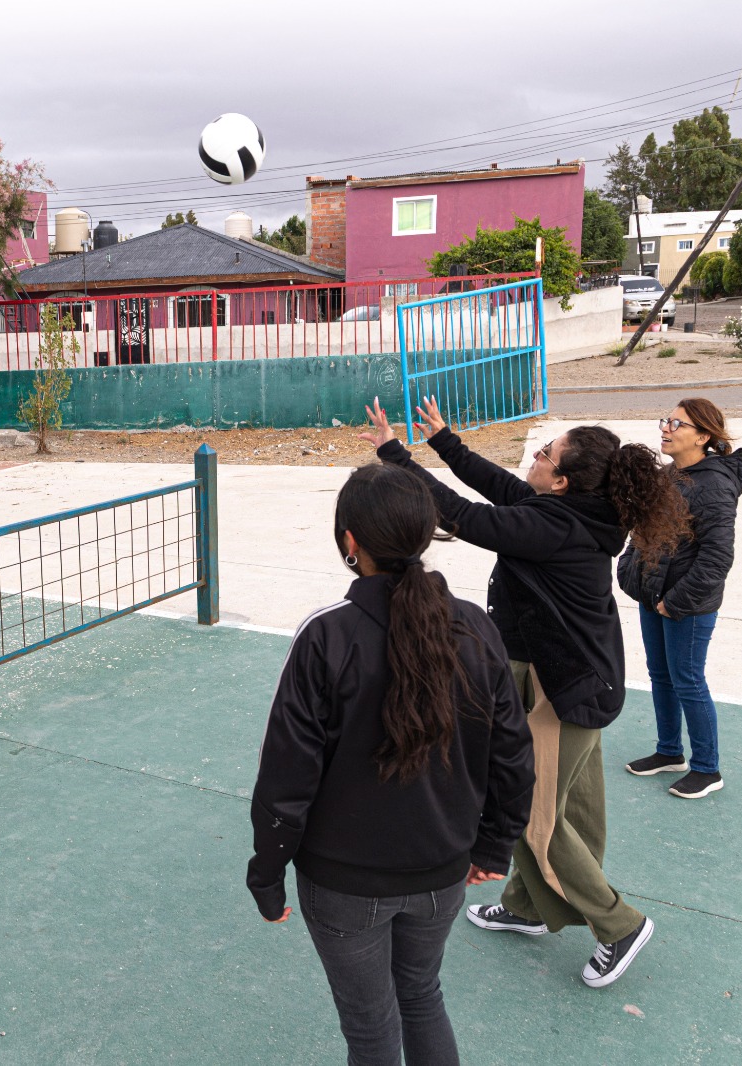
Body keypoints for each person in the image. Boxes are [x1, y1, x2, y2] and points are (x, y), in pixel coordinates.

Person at [361, 395, 689, 989]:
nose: (533, 458)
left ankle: (619, 925)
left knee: (532, 816)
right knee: (572, 810)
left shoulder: (553, 526)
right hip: (574, 679)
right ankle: (527, 904)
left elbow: (465, 517)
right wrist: (444, 442)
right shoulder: (573, 509)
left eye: (544, 454)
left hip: (562, 691)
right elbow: (497, 487)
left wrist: (393, 456)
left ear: (561, 481)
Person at [248, 463, 535, 1066]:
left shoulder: (326, 636)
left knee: (370, 1026)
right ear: (425, 534)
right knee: (422, 995)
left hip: (344, 882)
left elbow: (287, 775)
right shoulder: (475, 626)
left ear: (350, 541)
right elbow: (512, 752)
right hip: (442, 872)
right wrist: (494, 845)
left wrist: (267, 873)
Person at [619, 398, 742, 800]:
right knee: (661, 676)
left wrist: (675, 601)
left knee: (688, 680)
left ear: (703, 436)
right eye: (666, 420)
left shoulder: (714, 485)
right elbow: (642, 531)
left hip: (685, 605)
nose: (666, 428)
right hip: (653, 594)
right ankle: (669, 752)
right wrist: (630, 571)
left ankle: (707, 769)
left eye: (677, 424)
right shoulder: (669, 475)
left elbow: (717, 556)